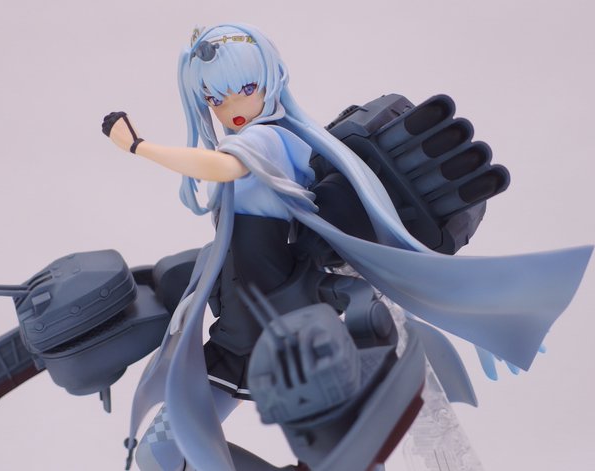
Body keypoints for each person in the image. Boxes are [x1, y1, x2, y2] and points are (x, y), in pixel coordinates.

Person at [103, 23, 591, 471]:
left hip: (286, 336)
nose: (231, 106)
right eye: (214, 97)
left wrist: (140, 146)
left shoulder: (266, 141)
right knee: (160, 452)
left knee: (316, 451)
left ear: (269, 79)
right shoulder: (261, 145)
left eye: (245, 87)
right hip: (238, 335)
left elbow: (223, 168)